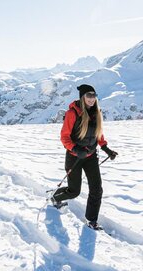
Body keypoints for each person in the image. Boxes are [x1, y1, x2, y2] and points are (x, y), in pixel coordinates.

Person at [51, 84, 118, 230]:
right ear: (82, 97)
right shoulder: (72, 113)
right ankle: (56, 197)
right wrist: (75, 149)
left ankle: (91, 220)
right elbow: (64, 137)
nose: (91, 99)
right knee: (74, 191)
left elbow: (98, 133)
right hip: (74, 157)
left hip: (91, 156)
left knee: (96, 189)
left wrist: (106, 148)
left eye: (94, 95)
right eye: (88, 95)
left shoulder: (96, 112)